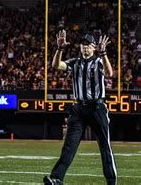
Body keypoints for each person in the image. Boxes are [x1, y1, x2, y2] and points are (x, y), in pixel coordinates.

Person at [43, 31, 117, 185]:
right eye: (82, 45)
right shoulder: (75, 62)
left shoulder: (98, 61)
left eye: (88, 45)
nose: (84, 48)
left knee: (105, 146)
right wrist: (59, 49)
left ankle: (111, 181)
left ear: (94, 47)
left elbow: (110, 73)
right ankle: (57, 178)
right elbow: (56, 65)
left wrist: (103, 53)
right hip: (78, 109)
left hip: (97, 108)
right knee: (69, 146)